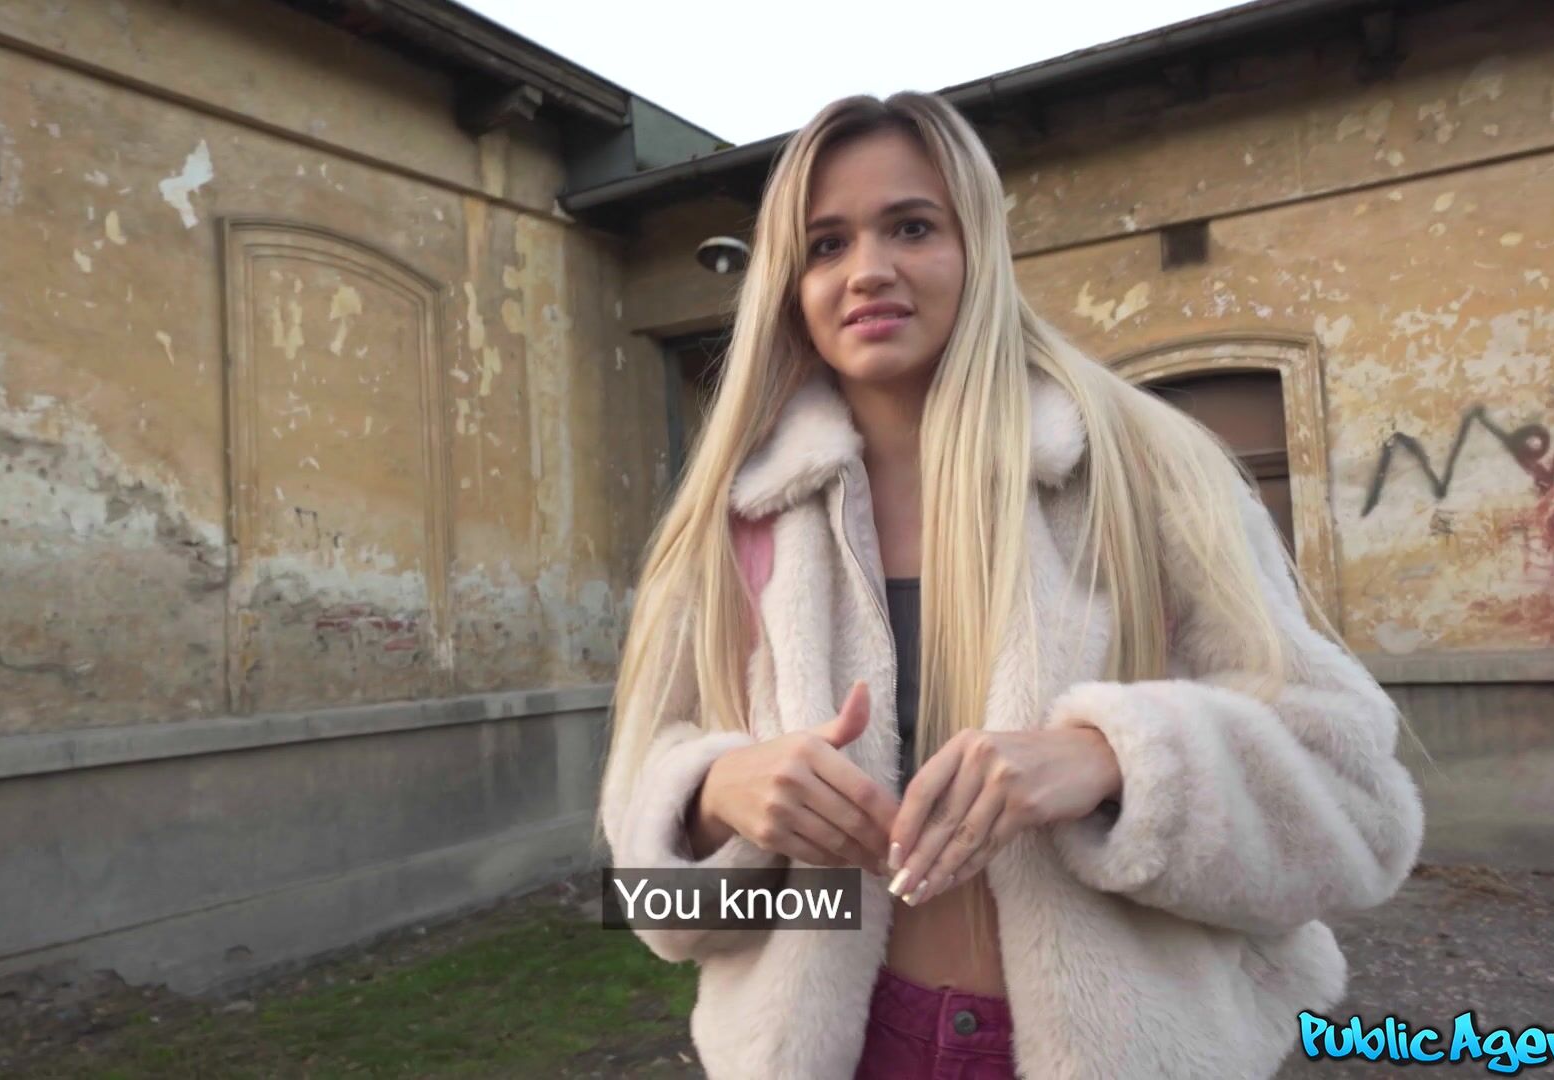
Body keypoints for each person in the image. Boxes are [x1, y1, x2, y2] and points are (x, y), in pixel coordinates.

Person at [595, 91, 1424, 1080]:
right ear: (789, 280)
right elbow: (655, 908)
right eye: (826, 244)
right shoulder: (734, 526)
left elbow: (1363, 817)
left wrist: (1114, 760)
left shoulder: (1142, 470)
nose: (868, 269)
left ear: (978, 246)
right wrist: (715, 798)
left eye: (912, 226)